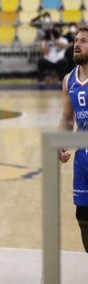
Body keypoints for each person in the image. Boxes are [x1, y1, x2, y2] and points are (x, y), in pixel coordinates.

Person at [59, 26, 88, 252]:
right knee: (83, 216)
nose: (77, 44)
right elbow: (68, 118)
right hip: (83, 158)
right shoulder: (69, 79)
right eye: (76, 40)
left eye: (84, 41)